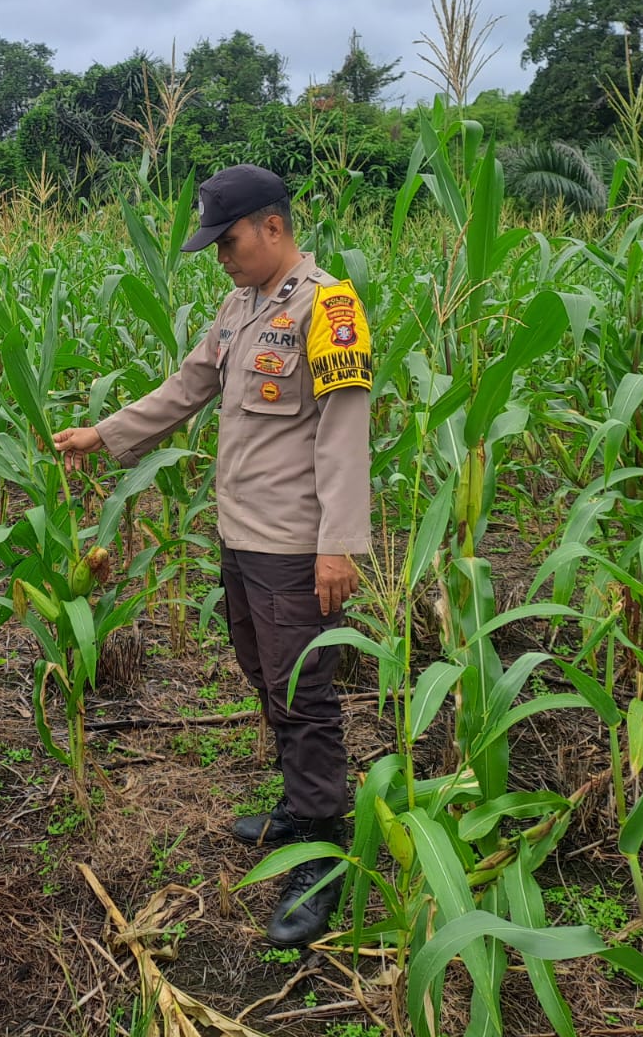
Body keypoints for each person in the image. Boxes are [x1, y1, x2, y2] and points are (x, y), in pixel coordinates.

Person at [53, 163, 372, 947]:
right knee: (263, 673)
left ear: (273, 226)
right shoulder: (240, 305)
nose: (221, 257)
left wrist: (338, 546)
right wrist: (106, 434)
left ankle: (321, 851)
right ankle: (301, 803)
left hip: (295, 544)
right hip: (241, 535)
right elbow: (186, 386)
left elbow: (343, 435)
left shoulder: (329, 307)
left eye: (228, 241)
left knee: (302, 694)